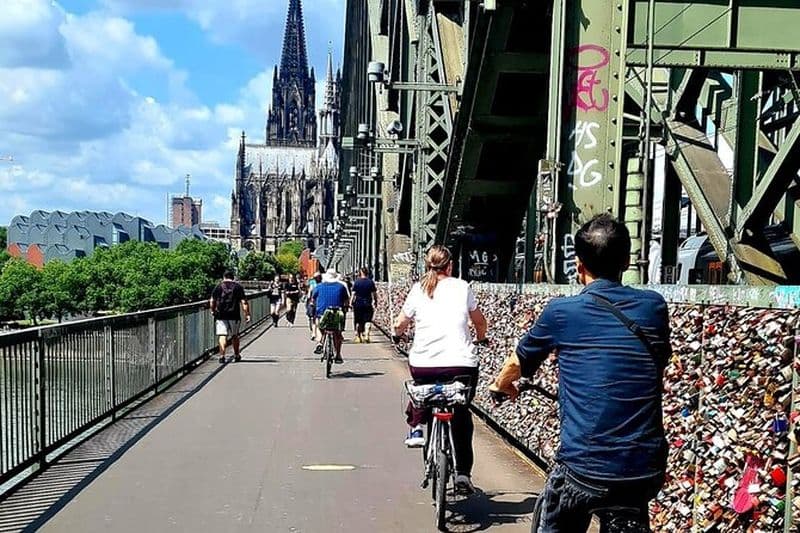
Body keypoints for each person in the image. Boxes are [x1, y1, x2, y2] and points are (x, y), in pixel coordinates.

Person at [490, 214, 670, 532]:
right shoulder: (654, 307)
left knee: (559, 508)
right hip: (643, 469)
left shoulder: (562, 312)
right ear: (627, 262)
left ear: (578, 265)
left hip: (585, 469)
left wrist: (500, 385)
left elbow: (516, 363)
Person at [393, 245, 488, 494]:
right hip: (460, 364)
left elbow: (401, 323)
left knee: (422, 389)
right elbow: (479, 322)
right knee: (461, 410)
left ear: (427, 266)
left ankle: (416, 426)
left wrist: (396, 334)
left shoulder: (418, 289)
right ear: (451, 265)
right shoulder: (462, 287)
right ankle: (463, 474)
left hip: (423, 365)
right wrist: (481, 338)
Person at [209, 270, 250, 364]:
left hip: (221, 315)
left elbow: (212, 300)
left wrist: (213, 310)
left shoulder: (218, 286)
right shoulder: (238, 287)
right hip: (234, 315)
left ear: (224, 277)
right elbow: (244, 302)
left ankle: (222, 356)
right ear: (233, 277)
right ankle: (236, 355)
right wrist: (247, 314)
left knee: (222, 335)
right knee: (235, 336)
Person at [310, 269, 349, 363]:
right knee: (338, 334)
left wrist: (314, 306)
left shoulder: (319, 286)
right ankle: (338, 355)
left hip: (322, 313)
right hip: (337, 313)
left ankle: (320, 342)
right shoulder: (341, 287)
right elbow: (346, 301)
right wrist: (346, 308)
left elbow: (312, 300)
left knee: (320, 326)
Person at [351, 267, 377, 343]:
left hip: (358, 304)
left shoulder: (357, 282)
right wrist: (375, 301)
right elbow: (374, 293)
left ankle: (358, 337)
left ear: (360, 273)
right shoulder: (370, 282)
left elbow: (353, 294)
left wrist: (350, 302)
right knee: (368, 320)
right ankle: (367, 335)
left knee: (358, 320)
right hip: (368, 303)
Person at [306, 272, 322, 340]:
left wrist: (309, 301)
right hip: (318, 302)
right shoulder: (322, 284)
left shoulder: (312, 283)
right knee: (316, 318)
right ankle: (315, 333)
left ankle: (313, 333)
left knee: (313, 318)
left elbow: (309, 294)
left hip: (314, 302)